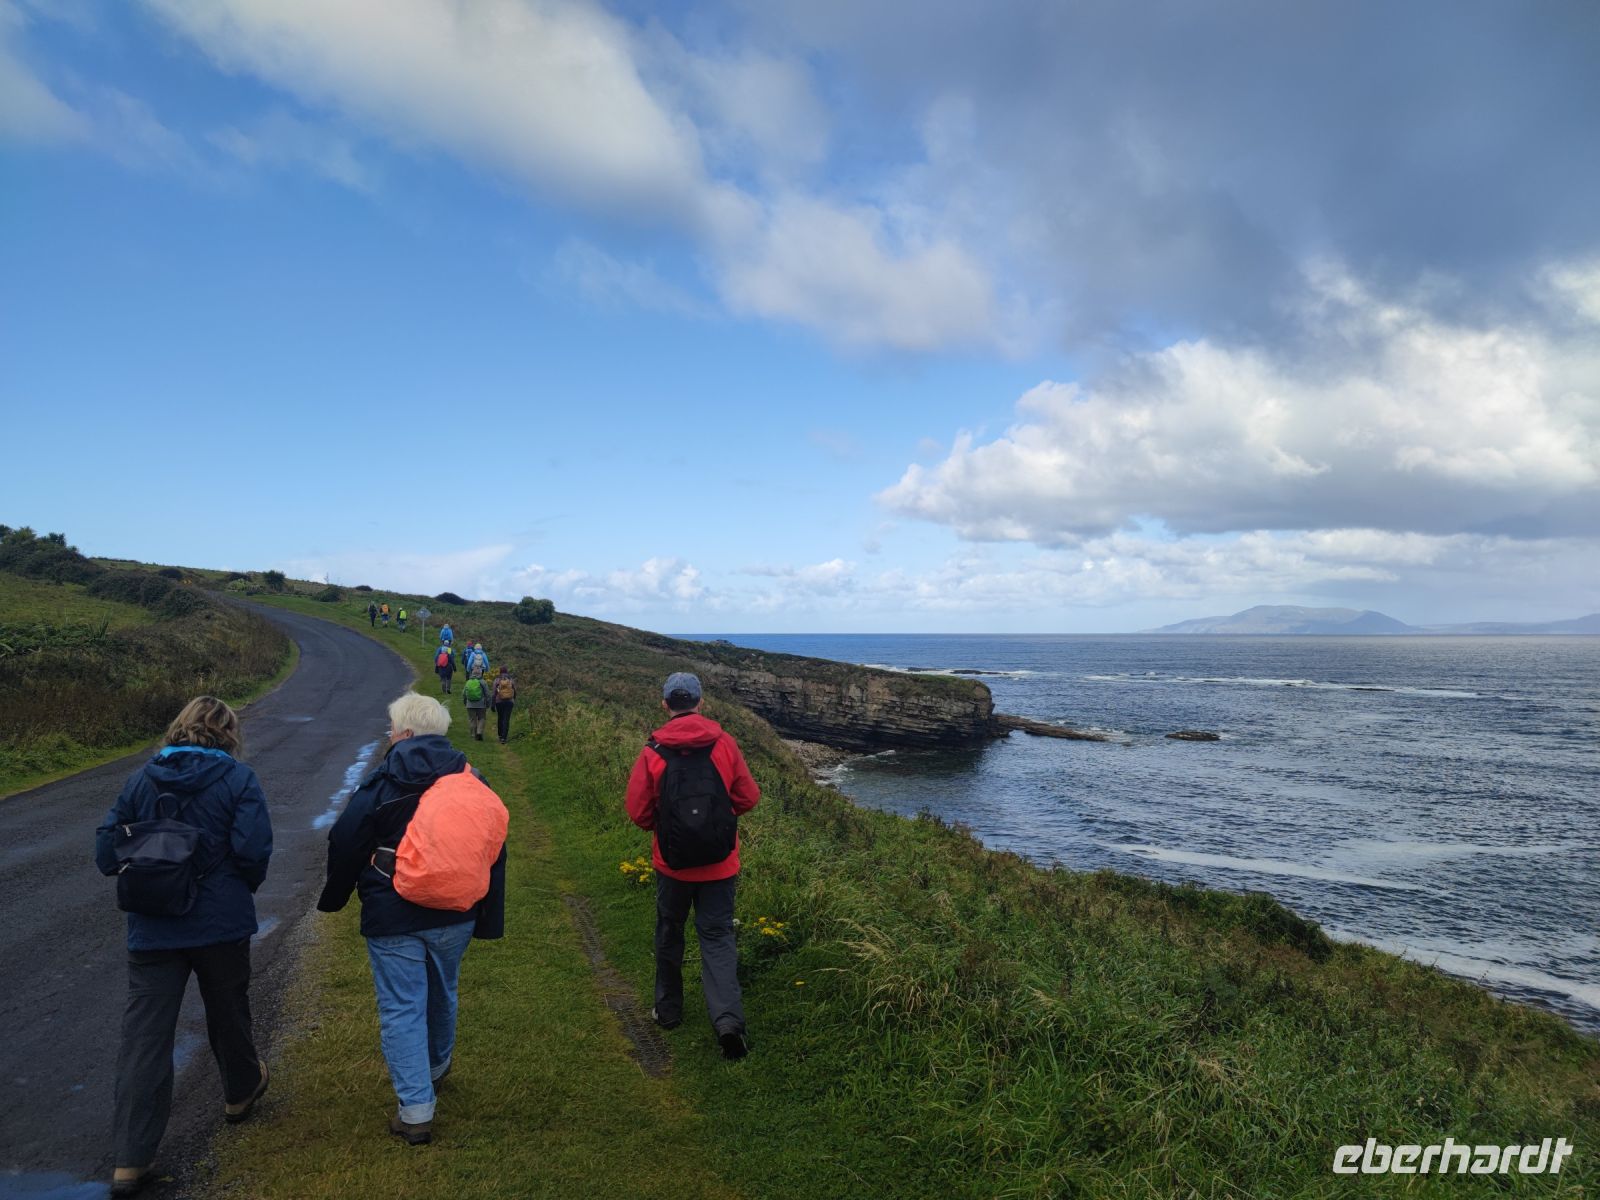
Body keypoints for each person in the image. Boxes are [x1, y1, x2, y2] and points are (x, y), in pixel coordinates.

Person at [93, 696, 273, 1196]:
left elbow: (107, 854)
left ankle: (130, 1159)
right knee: (229, 1012)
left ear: (180, 727)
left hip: (153, 926)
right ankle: (239, 1094)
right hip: (221, 923)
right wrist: (238, 890)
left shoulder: (142, 778)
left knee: (145, 1038)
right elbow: (254, 850)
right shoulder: (239, 779)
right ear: (229, 734)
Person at [317, 693, 506, 1145]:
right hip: (456, 913)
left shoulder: (383, 783)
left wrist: (336, 897)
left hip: (392, 912)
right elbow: (492, 850)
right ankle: (436, 1070)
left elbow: (345, 841)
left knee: (402, 1006)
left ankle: (417, 1110)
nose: (388, 735)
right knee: (443, 991)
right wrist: (487, 918)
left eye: (390, 729)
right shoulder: (472, 782)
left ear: (403, 733)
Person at [625, 673, 760, 1060]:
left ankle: (668, 1011)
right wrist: (717, 821)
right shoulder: (724, 744)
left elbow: (638, 811)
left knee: (670, 931)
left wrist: (667, 827)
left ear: (665, 704)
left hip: (672, 865)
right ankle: (729, 1023)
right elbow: (749, 797)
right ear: (701, 702)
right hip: (720, 865)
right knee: (717, 937)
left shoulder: (653, 751)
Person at [490, 666, 517, 744]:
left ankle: (500, 735)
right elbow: (514, 691)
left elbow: (494, 693)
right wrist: (513, 699)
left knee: (500, 718)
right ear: (507, 672)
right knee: (506, 719)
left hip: (499, 702)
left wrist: (493, 704)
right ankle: (504, 738)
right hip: (509, 702)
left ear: (500, 672)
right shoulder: (511, 680)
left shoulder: (497, 680)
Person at [461, 669, 490, 741]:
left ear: (472, 673)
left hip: (470, 704)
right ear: (480, 674)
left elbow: (464, 694)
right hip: (481, 705)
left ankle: (473, 735)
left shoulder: (468, 682)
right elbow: (487, 694)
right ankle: (479, 732)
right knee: (482, 718)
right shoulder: (483, 682)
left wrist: (465, 702)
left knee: (472, 720)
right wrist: (488, 703)